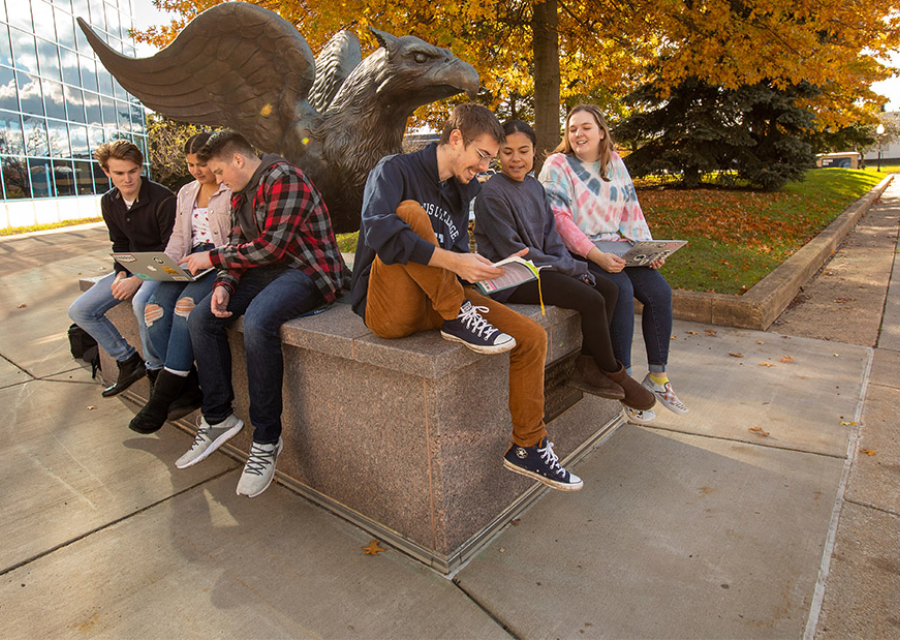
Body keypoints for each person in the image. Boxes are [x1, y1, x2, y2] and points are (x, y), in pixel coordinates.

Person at [350, 104, 582, 491]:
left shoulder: (459, 192)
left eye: (490, 160)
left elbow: (454, 260)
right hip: (388, 307)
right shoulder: (395, 170)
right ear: (456, 138)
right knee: (408, 214)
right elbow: (379, 232)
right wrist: (454, 262)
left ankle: (529, 445)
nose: (486, 168)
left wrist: (488, 272)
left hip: (442, 302)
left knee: (532, 337)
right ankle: (458, 316)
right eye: (484, 156)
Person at [177, 130, 346, 498]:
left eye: (220, 172)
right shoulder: (241, 193)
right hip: (266, 271)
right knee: (201, 318)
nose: (217, 181)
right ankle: (219, 417)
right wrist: (224, 284)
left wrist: (213, 258)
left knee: (257, 321)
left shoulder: (284, 178)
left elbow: (270, 247)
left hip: (309, 270)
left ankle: (266, 440)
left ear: (238, 160)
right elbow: (240, 247)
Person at [473, 120, 655, 412]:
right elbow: (515, 252)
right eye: (507, 152)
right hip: (512, 278)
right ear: (497, 154)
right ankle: (613, 370)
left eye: (524, 151)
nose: (516, 159)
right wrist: (568, 268)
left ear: (535, 153)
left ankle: (586, 364)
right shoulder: (492, 194)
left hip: (542, 268)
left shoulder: (533, 186)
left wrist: (568, 264)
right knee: (592, 299)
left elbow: (552, 237)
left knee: (608, 289)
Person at [538, 104, 688, 424]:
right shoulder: (558, 165)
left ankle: (658, 378)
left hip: (615, 246)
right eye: (572, 128)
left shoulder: (614, 163)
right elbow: (559, 221)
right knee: (618, 289)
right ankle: (627, 382)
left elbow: (631, 211)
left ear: (602, 132)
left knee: (660, 293)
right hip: (578, 251)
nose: (578, 133)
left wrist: (647, 250)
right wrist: (594, 254)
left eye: (586, 127)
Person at [128, 132, 231, 434]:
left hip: (217, 261)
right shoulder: (186, 192)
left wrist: (210, 258)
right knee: (152, 311)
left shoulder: (232, 189)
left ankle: (161, 397)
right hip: (187, 260)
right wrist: (166, 264)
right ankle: (186, 389)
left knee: (184, 308)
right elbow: (177, 238)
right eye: (190, 165)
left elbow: (242, 240)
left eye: (202, 164)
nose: (197, 171)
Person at [68, 139, 176, 397]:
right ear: (107, 172)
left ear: (140, 168)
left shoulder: (163, 198)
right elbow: (120, 243)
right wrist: (119, 273)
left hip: (163, 267)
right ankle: (128, 361)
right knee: (80, 310)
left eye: (132, 171)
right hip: (131, 268)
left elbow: (169, 248)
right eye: (119, 173)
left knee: (141, 303)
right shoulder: (109, 201)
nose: (127, 179)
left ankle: (155, 370)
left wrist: (136, 279)